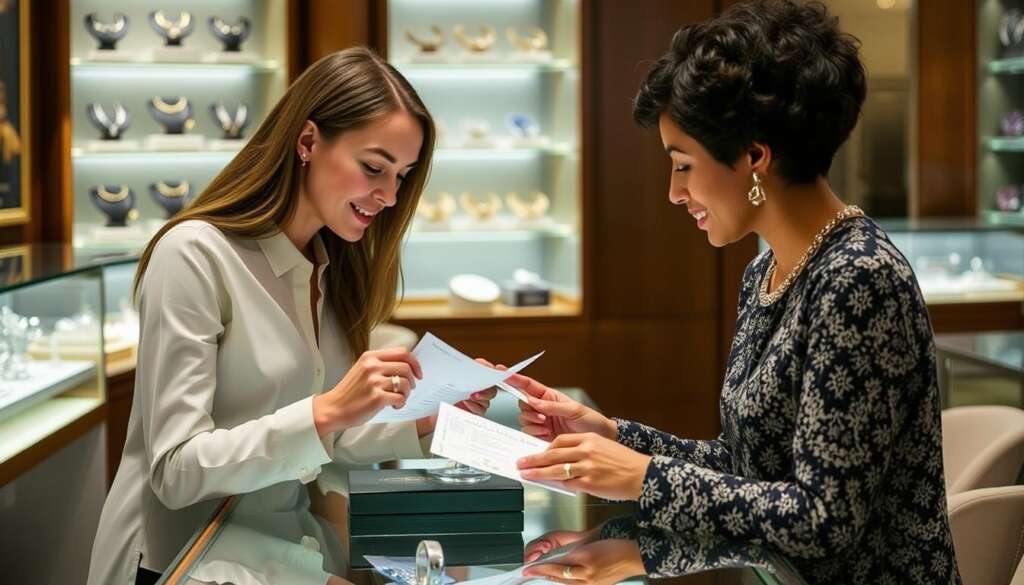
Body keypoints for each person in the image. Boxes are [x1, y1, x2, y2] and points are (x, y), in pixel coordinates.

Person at [511, 2, 961, 582]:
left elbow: (824, 518)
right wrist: (614, 435)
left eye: (683, 166)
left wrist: (642, 478)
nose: (675, 194)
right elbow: (748, 468)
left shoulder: (858, 280)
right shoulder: (769, 271)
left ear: (754, 157)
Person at [87, 48, 496, 585]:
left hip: (277, 551)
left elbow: (326, 440)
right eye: (373, 168)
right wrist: (326, 412)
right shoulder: (194, 255)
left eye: (403, 174)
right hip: (181, 561)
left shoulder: (330, 268)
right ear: (307, 142)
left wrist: (423, 421)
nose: (390, 195)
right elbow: (175, 470)